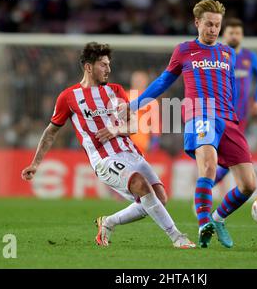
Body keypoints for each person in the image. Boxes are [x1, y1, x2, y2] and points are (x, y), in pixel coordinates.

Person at [21, 42, 195, 249]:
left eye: (108, 64)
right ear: (88, 67)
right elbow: (51, 132)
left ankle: (109, 222)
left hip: (132, 153)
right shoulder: (68, 97)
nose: (108, 69)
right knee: (141, 185)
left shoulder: (116, 90)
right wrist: (35, 163)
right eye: (103, 65)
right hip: (104, 159)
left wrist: (115, 130)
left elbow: (134, 124)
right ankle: (177, 237)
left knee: (160, 198)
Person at [119, 0, 257, 249]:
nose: (213, 29)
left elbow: (232, 89)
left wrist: (237, 117)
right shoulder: (184, 50)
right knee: (209, 167)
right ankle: (203, 223)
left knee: (248, 185)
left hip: (228, 119)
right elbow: (163, 81)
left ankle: (217, 218)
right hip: (199, 114)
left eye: (217, 25)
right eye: (208, 24)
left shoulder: (228, 53)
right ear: (197, 23)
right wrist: (135, 104)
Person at [214, 18, 257, 185]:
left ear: (242, 35)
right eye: (231, 33)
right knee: (213, 153)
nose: (235, 36)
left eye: (238, 33)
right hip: (217, 113)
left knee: (232, 156)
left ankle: (206, 187)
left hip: (239, 116)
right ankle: (205, 188)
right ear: (224, 34)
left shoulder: (250, 57)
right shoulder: (215, 55)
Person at [128, 70, 161, 156]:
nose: (139, 82)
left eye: (141, 79)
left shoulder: (152, 100)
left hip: (142, 144)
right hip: (125, 142)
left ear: (146, 82)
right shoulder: (124, 96)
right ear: (132, 81)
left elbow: (155, 123)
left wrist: (154, 141)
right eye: (137, 79)